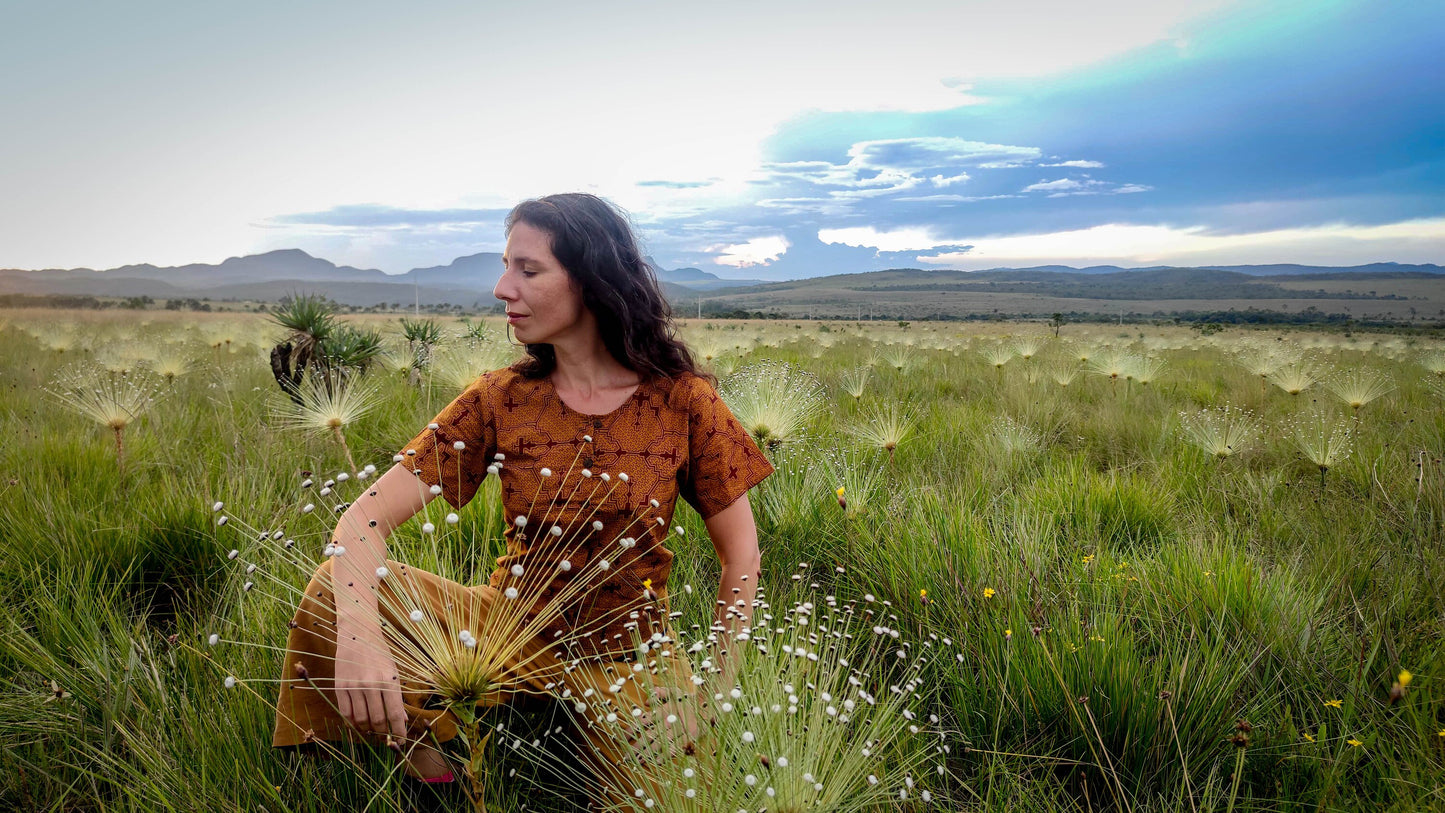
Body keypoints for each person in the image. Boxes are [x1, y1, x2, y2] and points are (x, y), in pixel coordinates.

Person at [272, 193, 774, 798]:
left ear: (592, 281)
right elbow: (359, 524)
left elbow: (741, 555)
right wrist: (359, 634)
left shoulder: (683, 401)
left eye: (527, 270)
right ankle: (437, 776)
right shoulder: (500, 398)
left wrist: (711, 694)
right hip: (505, 631)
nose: (502, 288)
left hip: (630, 656)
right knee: (337, 585)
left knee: (680, 795)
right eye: (506, 266)